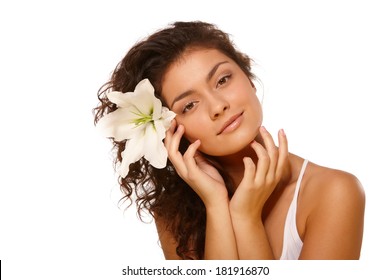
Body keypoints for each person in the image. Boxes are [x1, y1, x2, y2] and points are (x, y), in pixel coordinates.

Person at [93, 21, 365, 260]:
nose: (218, 106)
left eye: (223, 80)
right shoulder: (173, 214)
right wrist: (216, 205)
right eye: (189, 105)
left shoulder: (335, 192)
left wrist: (246, 217)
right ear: (171, 131)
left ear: (248, 77)